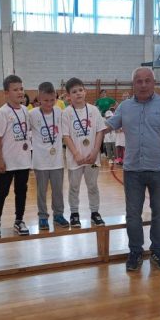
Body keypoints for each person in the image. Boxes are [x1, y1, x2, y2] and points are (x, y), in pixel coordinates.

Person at [105, 67, 160, 272]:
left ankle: (158, 250)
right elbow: (106, 127)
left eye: (147, 80)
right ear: (133, 84)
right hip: (132, 172)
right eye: (139, 81)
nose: (143, 85)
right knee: (132, 215)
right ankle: (135, 251)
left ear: (154, 83)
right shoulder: (124, 107)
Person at [0, 75, 32, 238]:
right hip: (7, 162)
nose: (20, 92)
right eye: (15, 90)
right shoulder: (3, 112)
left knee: (21, 191)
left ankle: (19, 220)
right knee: (1, 192)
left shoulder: (26, 110)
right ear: (6, 93)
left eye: (21, 89)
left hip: (23, 161)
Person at [63, 77, 106, 227]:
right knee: (74, 187)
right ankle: (74, 214)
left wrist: (95, 151)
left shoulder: (94, 110)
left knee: (92, 185)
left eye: (80, 90)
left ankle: (95, 212)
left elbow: (100, 131)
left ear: (85, 91)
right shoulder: (66, 113)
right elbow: (65, 135)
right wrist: (76, 154)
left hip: (92, 159)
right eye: (74, 92)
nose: (78, 93)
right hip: (75, 159)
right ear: (68, 96)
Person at [29, 82, 68, 230]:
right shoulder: (32, 114)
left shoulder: (59, 112)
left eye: (52, 100)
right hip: (40, 161)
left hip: (57, 160)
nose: (49, 103)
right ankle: (43, 216)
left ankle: (58, 215)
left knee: (58, 190)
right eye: (45, 100)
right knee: (41, 191)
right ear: (39, 98)